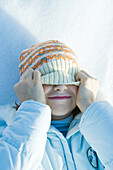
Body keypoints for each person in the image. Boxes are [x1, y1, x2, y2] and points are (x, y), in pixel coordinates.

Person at [0, 40, 113, 170]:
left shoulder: (99, 129)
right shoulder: (7, 134)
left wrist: (89, 105)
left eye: (69, 80)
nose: (60, 87)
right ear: (28, 87)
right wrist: (32, 110)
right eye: (49, 79)